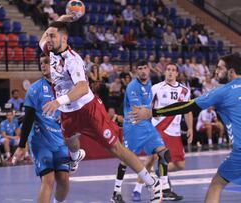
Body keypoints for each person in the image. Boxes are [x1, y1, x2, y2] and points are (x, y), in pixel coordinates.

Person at [40, 16, 162, 203]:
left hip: (89, 110)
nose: (48, 39)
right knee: (70, 140)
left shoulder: (73, 60)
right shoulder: (51, 50)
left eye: (52, 36)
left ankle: (151, 182)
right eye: (48, 35)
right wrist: (60, 20)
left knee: (116, 149)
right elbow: (42, 40)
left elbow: (81, 87)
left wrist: (58, 102)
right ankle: (76, 156)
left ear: (64, 39)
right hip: (69, 111)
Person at [129, 53, 241, 203]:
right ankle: (142, 186)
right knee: (155, 158)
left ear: (231, 71)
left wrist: (152, 112)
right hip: (160, 128)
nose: (216, 71)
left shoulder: (222, 91)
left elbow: (187, 107)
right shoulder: (157, 87)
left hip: (236, 152)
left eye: (220, 68)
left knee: (216, 183)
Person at [111, 60, 182, 202]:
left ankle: (162, 188)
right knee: (126, 159)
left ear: (149, 70)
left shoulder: (150, 84)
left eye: (145, 68)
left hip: (147, 126)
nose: (143, 71)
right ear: (136, 71)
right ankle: (116, 192)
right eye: (140, 68)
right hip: (133, 127)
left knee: (163, 153)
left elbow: (148, 109)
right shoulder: (132, 87)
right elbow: (139, 111)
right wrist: (160, 111)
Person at [130, 63, 193, 201]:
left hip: (175, 132)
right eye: (168, 70)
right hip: (158, 128)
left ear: (177, 74)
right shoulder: (157, 88)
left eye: (173, 70)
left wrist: (190, 128)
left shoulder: (184, 90)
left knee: (180, 165)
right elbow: (145, 106)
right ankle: (139, 189)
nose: (170, 72)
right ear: (165, 72)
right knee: (152, 158)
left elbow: (187, 110)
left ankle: (157, 172)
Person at [13, 53, 70, 203]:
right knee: (49, 179)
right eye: (41, 62)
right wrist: (21, 145)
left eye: (46, 62)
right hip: (40, 141)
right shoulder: (35, 89)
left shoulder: (66, 88)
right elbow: (28, 118)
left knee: (63, 180)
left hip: (59, 141)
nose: (43, 65)